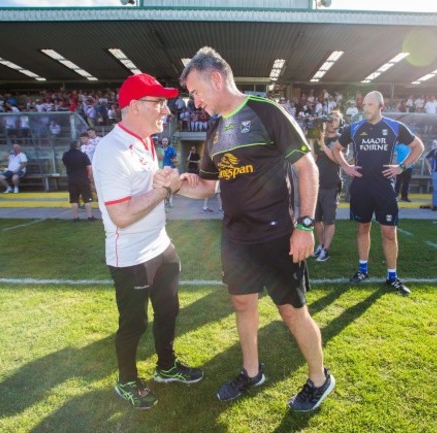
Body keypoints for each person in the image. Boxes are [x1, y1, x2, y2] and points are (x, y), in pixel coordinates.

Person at [168, 46, 334, 412]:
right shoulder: (213, 130)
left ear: (216, 79)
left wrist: (305, 225)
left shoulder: (266, 111)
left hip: (277, 234)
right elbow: (208, 186)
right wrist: (175, 183)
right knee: (242, 303)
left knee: (292, 310)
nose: (195, 103)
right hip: (236, 237)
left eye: (196, 92)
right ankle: (251, 371)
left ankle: (319, 378)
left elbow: (308, 169)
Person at [92, 73, 203, 410]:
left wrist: (164, 181)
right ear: (136, 106)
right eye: (159, 103)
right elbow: (122, 215)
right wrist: (163, 189)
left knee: (169, 310)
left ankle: (166, 367)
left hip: (160, 245)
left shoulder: (145, 141)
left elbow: (144, 190)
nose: (166, 111)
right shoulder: (110, 150)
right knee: (134, 323)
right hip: (130, 255)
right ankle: (126, 381)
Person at [331, 90, 424, 296]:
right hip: (361, 187)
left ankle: (392, 276)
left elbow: (418, 146)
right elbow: (336, 149)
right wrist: (346, 167)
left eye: (370, 105)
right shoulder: (354, 128)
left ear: (381, 106)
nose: (365, 109)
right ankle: (362, 270)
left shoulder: (395, 127)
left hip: (384, 188)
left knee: (389, 232)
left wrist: (402, 166)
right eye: (364, 105)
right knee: (362, 228)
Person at [311, 110, 344, 262]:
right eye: (330, 119)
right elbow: (313, 159)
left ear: (340, 123)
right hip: (317, 183)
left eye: (336, 119)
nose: (332, 122)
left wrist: (323, 144)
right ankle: (321, 244)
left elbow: (337, 159)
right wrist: (312, 140)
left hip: (331, 184)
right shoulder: (320, 138)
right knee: (316, 219)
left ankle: (326, 249)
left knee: (328, 220)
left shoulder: (341, 139)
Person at [62, 140, 96, 222]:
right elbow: (89, 167)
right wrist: (90, 177)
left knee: (74, 199)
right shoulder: (83, 155)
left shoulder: (65, 155)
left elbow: (65, 163)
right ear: (78, 146)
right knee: (87, 198)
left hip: (71, 179)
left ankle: (76, 218)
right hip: (83, 178)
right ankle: (90, 217)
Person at [160, 137, 178, 208]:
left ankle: (170, 201)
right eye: (163, 141)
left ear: (168, 142)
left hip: (170, 169)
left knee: (170, 186)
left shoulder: (171, 149)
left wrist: (174, 160)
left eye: (166, 141)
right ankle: (164, 201)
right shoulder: (159, 150)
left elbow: (176, 160)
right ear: (161, 142)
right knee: (163, 186)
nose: (164, 142)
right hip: (161, 170)